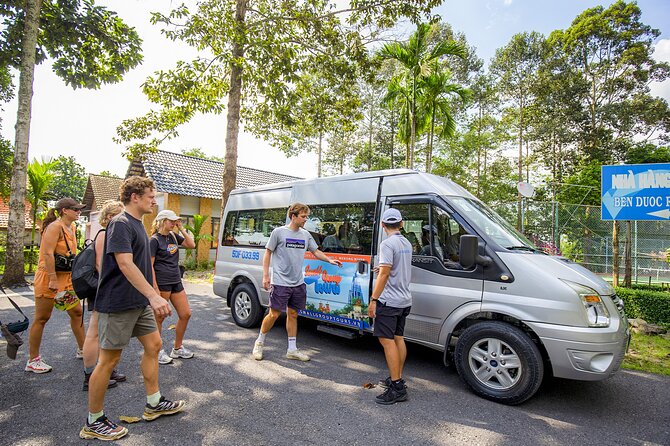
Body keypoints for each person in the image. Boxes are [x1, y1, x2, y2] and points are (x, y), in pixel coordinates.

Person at [80, 176, 185, 441]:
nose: (154, 200)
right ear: (135, 197)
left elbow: (141, 265)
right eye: (150, 195)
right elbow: (125, 264)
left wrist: (149, 296)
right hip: (118, 303)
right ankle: (93, 421)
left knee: (154, 346)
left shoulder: (139, 224)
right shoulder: (121, 223)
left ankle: (153, 402)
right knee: (109, 360)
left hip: (138, 303)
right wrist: (155, 296)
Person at [252, 203, 342, 362]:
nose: (306, 219)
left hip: (297, 282)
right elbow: (268, 253)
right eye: (303, 216)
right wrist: (266, 276)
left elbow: (315, 251)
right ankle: (259, 342)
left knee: (293, 314)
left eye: (306, 216)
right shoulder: (278, 232)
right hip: (280, 281)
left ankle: (292, 349)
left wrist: (329, 260)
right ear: (293, 216)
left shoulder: (305, 235)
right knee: (274, 314)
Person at [25, 197, 86, 374]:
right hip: (49, 278)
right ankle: (33, 360)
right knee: (42, 318)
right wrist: (52, 278)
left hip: (66, 279)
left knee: (77, 312)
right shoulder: (54, 227)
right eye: (75, 209)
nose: (79, 212)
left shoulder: (72, 227)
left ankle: (84, 349)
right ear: (64, 210)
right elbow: (48, 255)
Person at [367, 208, 413, 405]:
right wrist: (383, 268)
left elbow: (384, 275)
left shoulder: (387, 244)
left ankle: (396, 387)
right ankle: (398, 377)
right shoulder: (406, 242)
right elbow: (394, 267)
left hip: (389, 301)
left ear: (383, 225)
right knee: (398, 338)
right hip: (404, 299)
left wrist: (373, 300)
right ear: (401, 224)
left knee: (386, 341)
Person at [81, 200, 126, 390]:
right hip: (102, 289)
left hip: (108, 288)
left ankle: (105, 369)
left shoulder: (111, 234)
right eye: (120, 215)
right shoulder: (103, 235)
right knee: (94, 332)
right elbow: (100, 266)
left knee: (104, 333)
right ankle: (90, 376)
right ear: (109, 217)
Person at [150, 209, 196, 365]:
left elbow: (191, 244)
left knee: (186, 314)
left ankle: (177, 348)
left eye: (175, 220)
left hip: (176, 280)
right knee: (160, 318)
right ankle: (157, 351)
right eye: (172, 221)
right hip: (162, 283)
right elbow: (149, 266)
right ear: (162, 221)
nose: (174, 223)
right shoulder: (154, 240)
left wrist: (181, 228)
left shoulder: (173, 236)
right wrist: (154, 289)